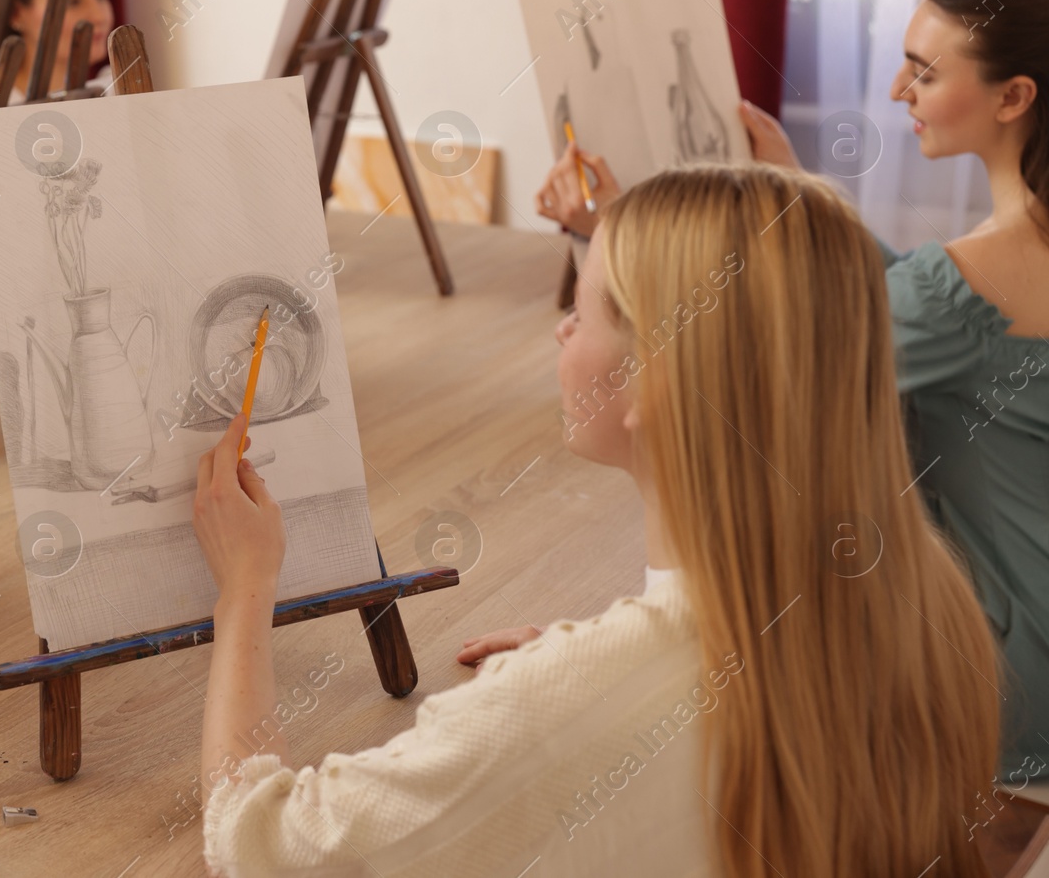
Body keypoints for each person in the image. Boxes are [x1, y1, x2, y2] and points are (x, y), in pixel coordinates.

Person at [192, 163, 1000, 876]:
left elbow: (257, 843)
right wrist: (600, 681)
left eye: (582, 312)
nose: (561, 329)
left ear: (658, 384)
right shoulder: (932, 598)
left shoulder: (564, 699)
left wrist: (246, 590)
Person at [537, 0, 1048, 782]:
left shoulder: (966, 280)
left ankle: (637, 669)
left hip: (1009, 670)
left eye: (923, 73)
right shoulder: (1002, 256)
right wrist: (790, 183)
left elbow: (739, 347)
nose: (896, 92)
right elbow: (900, 302)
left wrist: (614, 235)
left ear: (1014, 96)